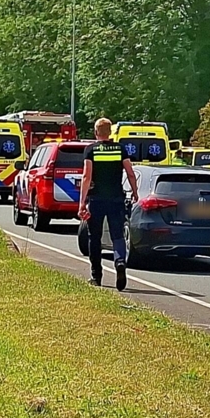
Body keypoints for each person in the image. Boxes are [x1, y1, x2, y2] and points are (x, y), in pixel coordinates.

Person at [79, 118, 140, 290]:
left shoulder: (90, 150)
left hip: (96, 199)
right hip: (116, 199)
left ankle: (96, 275)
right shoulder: (120, 149)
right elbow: (130, 173)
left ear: (96, 132)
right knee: (118, 235)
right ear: (110, 132)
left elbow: (86, 177)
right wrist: (135, 192)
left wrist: (82, 203)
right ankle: (120, 261)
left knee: (94, 237)